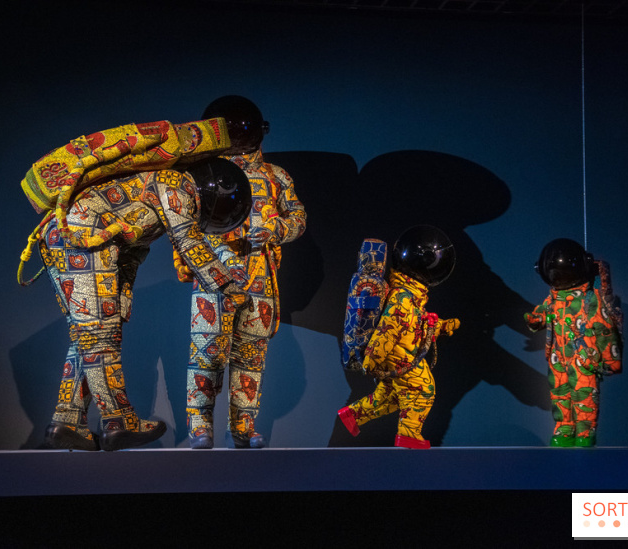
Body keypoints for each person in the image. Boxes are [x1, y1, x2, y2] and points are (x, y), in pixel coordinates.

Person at [40, 157, 252, 451]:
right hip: (82, 235)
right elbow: (188, 241)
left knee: (86, 337)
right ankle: (119, 422)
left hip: (65, 234)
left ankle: (67, 419)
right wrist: (228, 285)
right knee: (100, 338)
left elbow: (130, 253)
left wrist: (121, 295)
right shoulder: (176, 184)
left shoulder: (152, 190)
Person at [186, 96, 307, 449]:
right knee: (206, 351)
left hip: (259, 275)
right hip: (213, 275)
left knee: (250, 354)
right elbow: (181, 221)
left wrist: (276, 231)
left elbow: (297, 217)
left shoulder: (276, 177)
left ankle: (242, 425)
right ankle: (199, 425)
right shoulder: (202, 175)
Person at [337, 225, 459, 449]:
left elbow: (415, 325)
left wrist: (441, 326)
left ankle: (354, 415)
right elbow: (388, 329)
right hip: (394, 355)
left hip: (396, 352)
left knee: (392, 395)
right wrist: (372, 360)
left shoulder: (409, 294)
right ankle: (408, 435)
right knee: (423, 388)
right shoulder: (404, 297)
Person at [524, 238, 623, 447]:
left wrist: (611, 358)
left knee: (584, 395)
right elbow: (542, 314)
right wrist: (535, 320)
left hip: (583, 357)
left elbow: (605, 329)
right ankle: (564, 428)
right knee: (559, 394)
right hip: (558, 358)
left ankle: (585, 434)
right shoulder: (553, 299)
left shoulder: (590, 300)